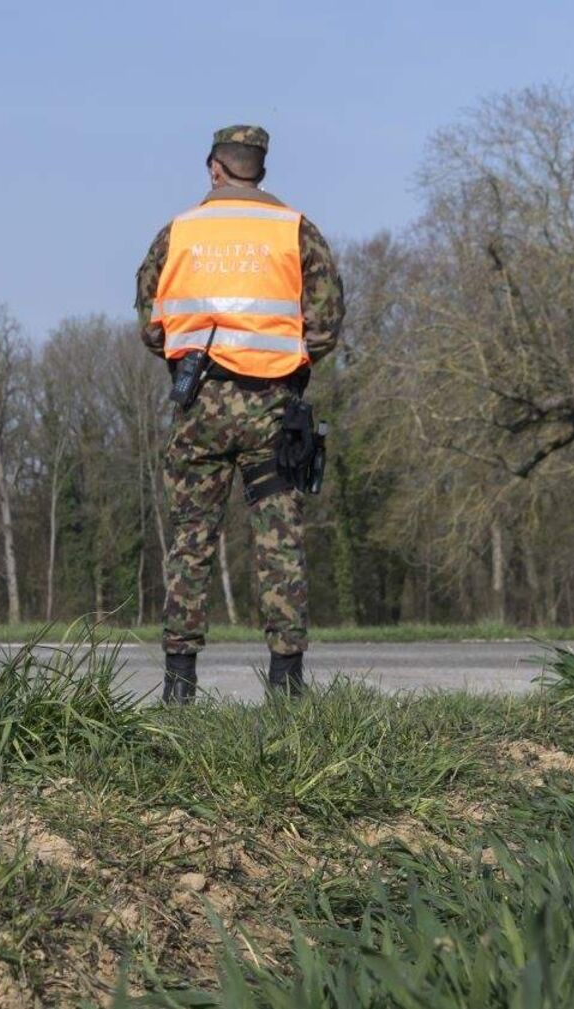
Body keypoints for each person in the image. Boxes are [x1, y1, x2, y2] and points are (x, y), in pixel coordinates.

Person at [135, 125, 346, 703]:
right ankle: (286, 684)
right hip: (273, 405)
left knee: (191, 538)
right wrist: (287, 365)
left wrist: (186, 361)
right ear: (261, 169)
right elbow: (325, 323)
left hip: (199, 402)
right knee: (278, 538)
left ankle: (179, 686)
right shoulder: (295, 230)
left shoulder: (177, 232)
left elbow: (150, 321)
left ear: (215, 169)